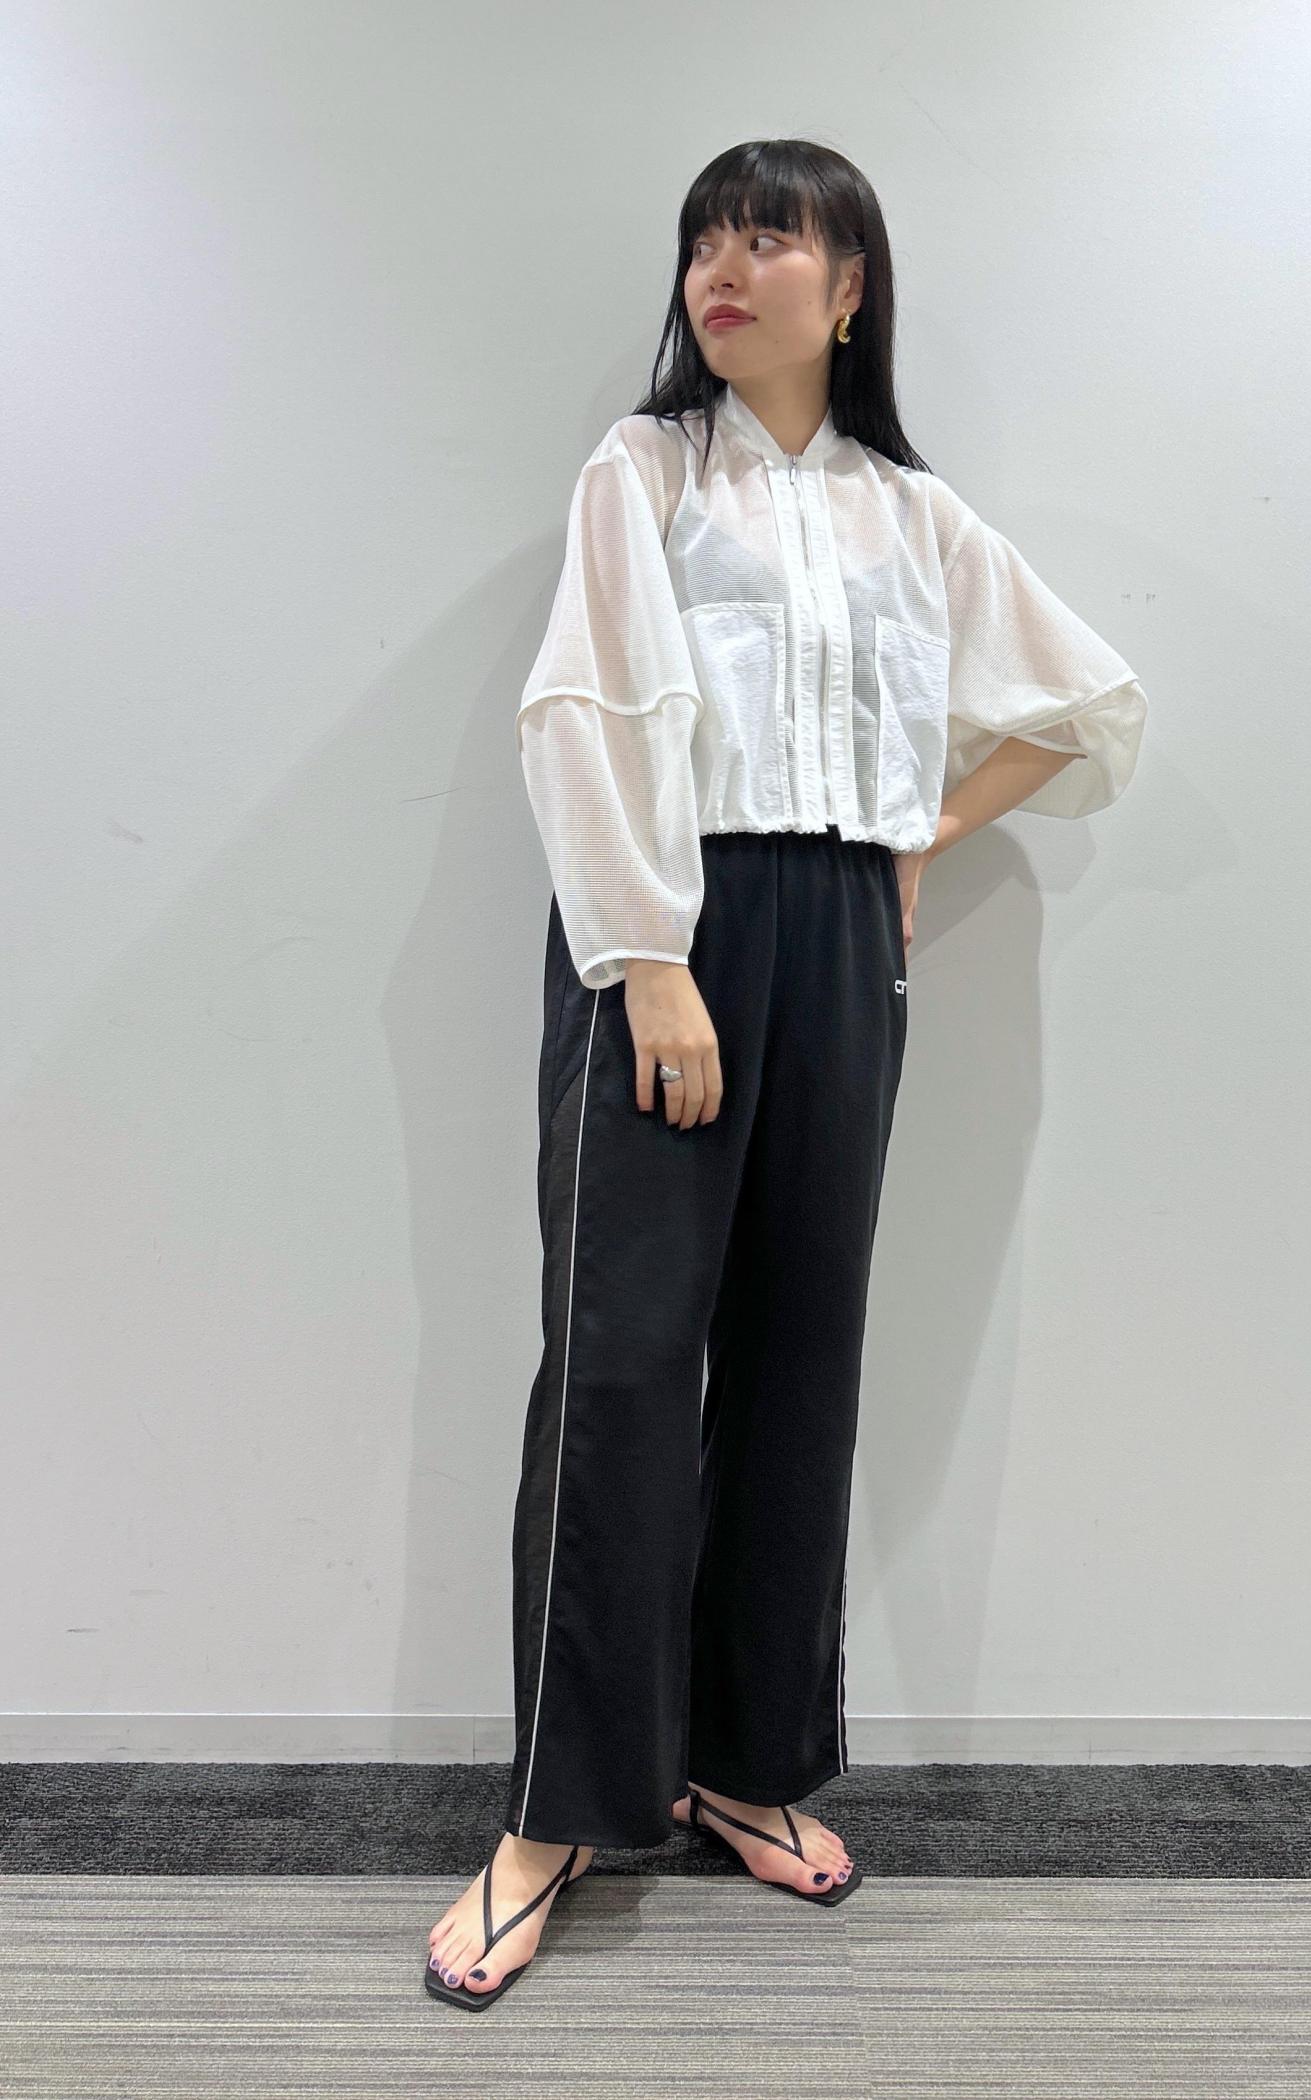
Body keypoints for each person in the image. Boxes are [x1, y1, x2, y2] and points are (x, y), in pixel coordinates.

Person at [426, 137, 1148, 2009]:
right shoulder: (646, 471)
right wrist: (650, 960)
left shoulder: (915, 515)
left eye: (769, 238)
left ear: (851, 287)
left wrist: (917, 837)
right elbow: (581, 716)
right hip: (667, 928)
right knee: (618, 1366)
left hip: (841, 940)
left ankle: (742, 1763)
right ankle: (556, 1810)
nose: (722, 268)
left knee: (802, 1358)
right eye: (703, 240)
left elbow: (1087, 708)